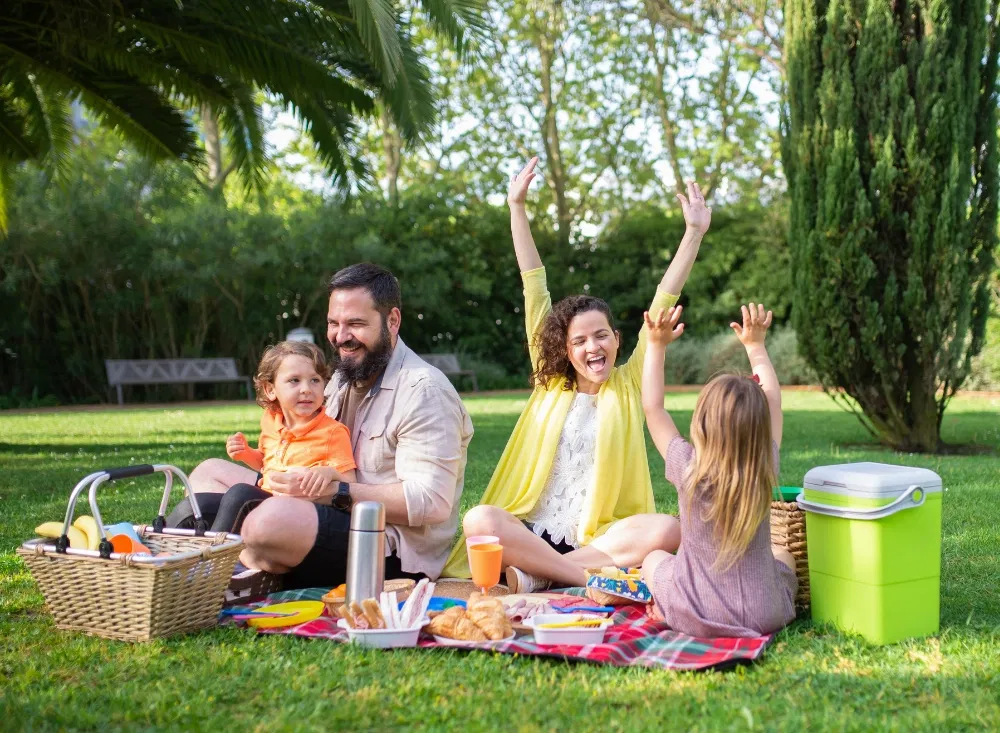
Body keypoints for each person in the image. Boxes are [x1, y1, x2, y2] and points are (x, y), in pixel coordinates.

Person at [445, 157, 711, 592]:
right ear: (565, 351)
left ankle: (536, 576)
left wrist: (693, 233)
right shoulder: (549, 381)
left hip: (598, 541)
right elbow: (534, 284)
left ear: (618, 340)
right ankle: (579, 579)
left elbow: (664, 299)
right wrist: (516, 207)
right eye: (581, 341)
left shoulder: (628, 385)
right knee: (479, 519)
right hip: (531, 530)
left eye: (601, 336)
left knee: (667, 529)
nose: (593, 347)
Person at [171, 263, 474, 594]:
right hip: (313, 504)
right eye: (334, 323)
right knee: (207, 474)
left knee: (267, 521)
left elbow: (431, 503)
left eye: (355, 324)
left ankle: (237, 567)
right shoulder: (341, 378)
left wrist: (336, 492)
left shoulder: (423, 390)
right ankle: (241, 561)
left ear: (392, 320)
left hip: (387, 546)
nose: (341, 336)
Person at [639, 302, 797, 637]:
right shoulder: (764, 462)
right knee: (783, 554)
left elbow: (653, 409)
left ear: (702, 423)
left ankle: (665, 608)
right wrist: (755, 347)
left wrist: (656, 346)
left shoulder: (687, 467)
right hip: (764, 613)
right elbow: (773, 401)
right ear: (759, 428)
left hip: (695, 612)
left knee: (653, 559)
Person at [204, 340, 357, 536]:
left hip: (302, 513)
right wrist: (246, 454)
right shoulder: (271, 421)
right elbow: (266, 463)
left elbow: (350, 480)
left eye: (315, 380)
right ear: (270, 390)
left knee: (240, 494)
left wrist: (328, 473)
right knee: (202, 503)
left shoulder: (332, 432)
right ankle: (166, 555)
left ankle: (213, 561)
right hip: (268, 499)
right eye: (294, 380)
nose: (306, 389)